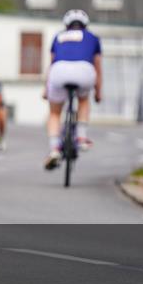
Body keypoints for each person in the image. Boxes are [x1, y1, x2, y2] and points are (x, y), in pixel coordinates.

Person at [43, 9, 102, 170]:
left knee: (55, 113)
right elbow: (97, 66)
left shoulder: (58, 37)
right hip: (84, 71)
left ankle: (55, 148)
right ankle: (81, 137)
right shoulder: (92, 37)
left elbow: (52, 64)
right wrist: (98, 91)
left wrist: (46, 89)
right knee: (83, 100)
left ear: (66, 25)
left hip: (59, 71)